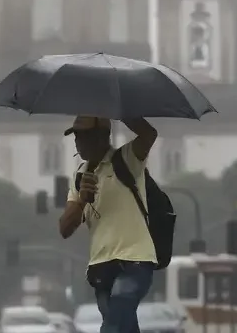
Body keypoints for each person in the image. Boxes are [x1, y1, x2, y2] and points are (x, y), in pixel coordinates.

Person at [57, 116, 158, 333]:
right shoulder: (80, 176)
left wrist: (124, 110)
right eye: (76, 136)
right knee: (124, 326)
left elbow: (149, 134)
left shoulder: (127, 159)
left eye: (83, 136)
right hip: (101, 266)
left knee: (114, 320)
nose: (77, 142)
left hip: (134, 261)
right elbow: (65, 229)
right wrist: (82, 199)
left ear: (102, 137)